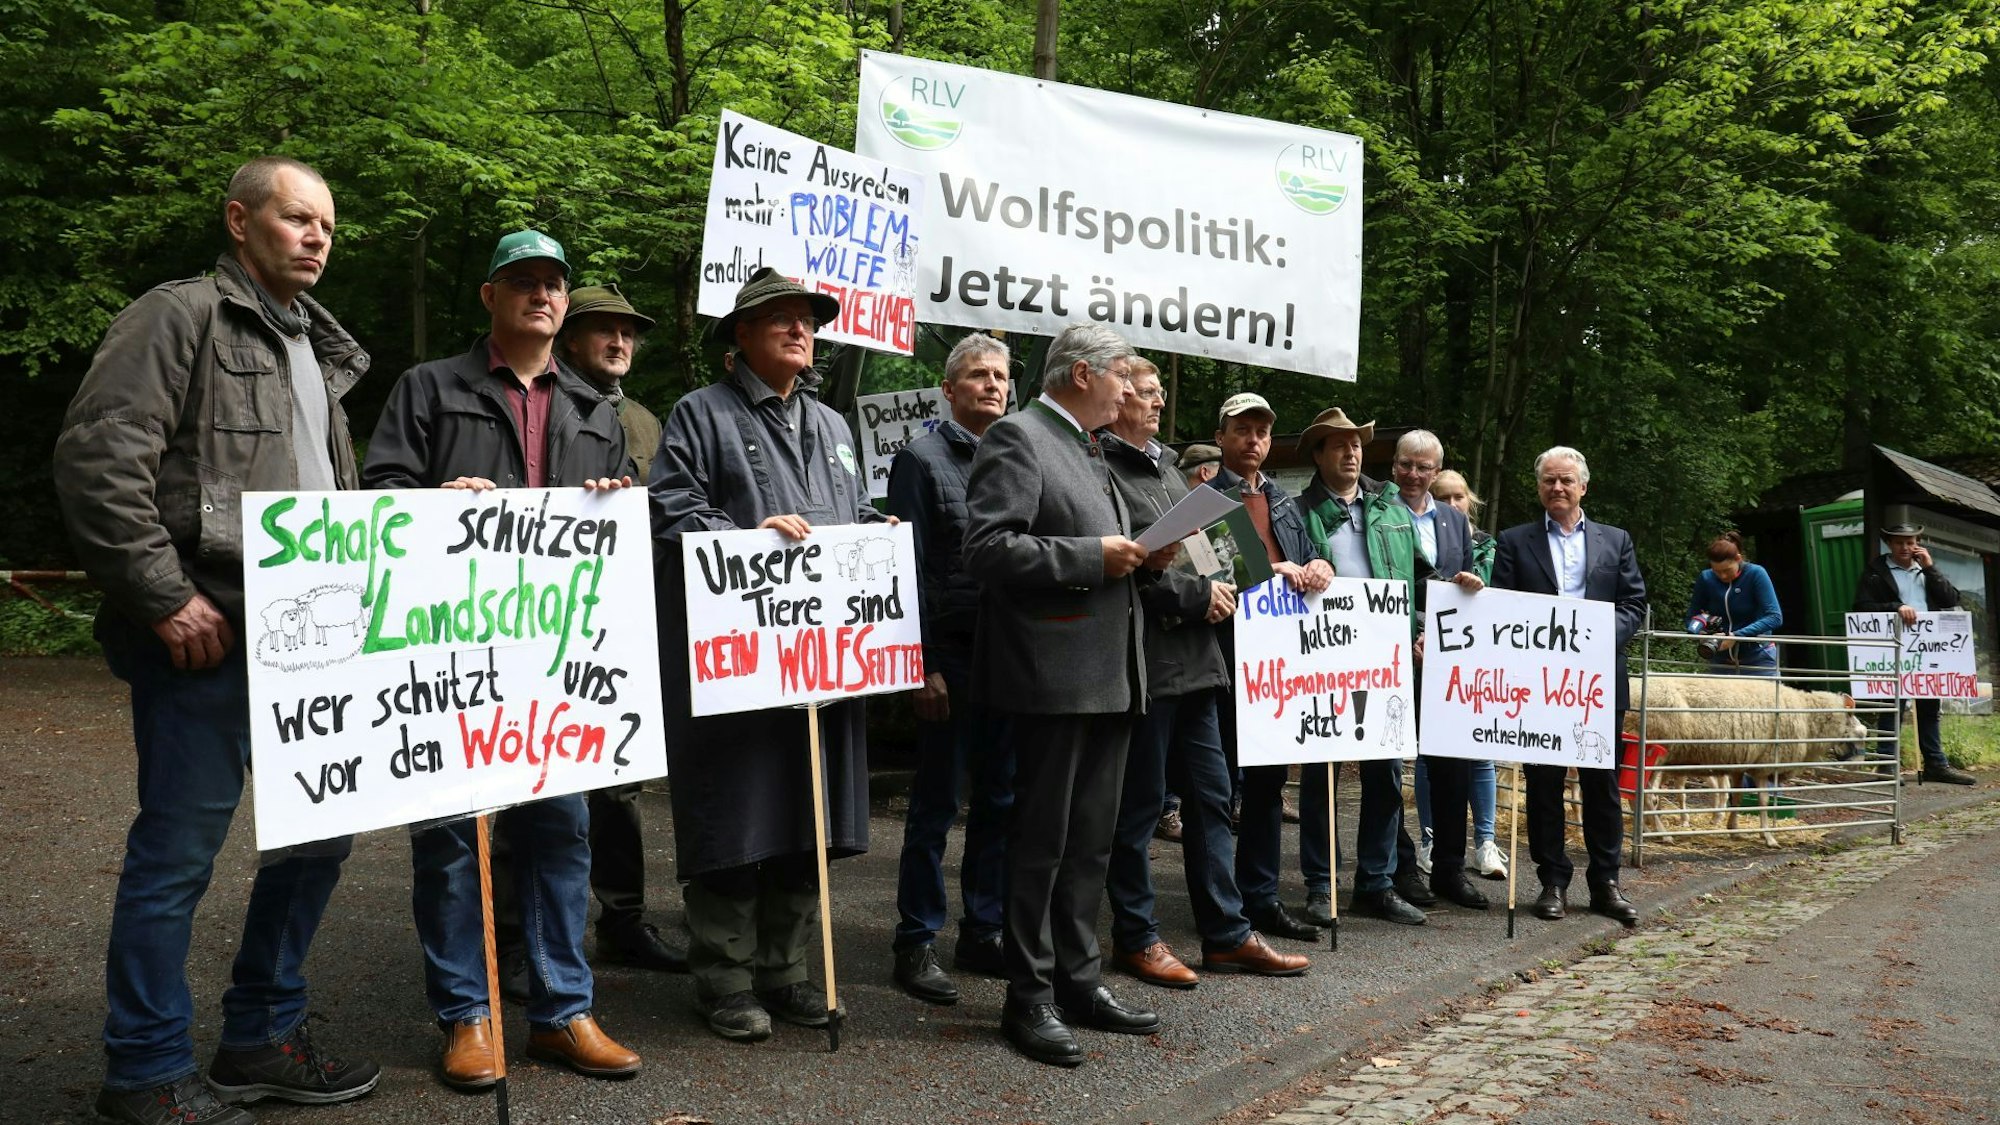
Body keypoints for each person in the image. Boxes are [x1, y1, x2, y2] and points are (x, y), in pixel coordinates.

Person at [53, 156, 380, 1124]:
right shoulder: (180, 315)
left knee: (318, 841)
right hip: (208, 634)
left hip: (314, 642)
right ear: (239, 221)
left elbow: (327, 500)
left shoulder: (319, 352)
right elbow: (98, 457)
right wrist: (162, 597)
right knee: (178, 856)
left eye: (327, 222)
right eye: (297, 217)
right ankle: (147, 1072)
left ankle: (259, 1039)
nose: (318, 235)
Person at [362, 230, 642, 1089]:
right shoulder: (429, 388)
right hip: (450, 656)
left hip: (557, 659)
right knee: (452, 840)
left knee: (563, 831)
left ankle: (563, 1010)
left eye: (554, 284)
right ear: (490, 295)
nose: (543, 295)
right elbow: (377, 495)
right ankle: (468, 1015)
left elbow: (625, 521)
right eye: (523, 282)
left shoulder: (597, 407)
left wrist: (619, 500)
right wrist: (430, 501)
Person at [649, 267, 888, 1042]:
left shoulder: (835, 425)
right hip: (739, 661)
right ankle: (722, 976)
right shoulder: (699, 414)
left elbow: (850, 514)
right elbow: (671, 510)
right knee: (734, 812)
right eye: (779, 318)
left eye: (807, 319)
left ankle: (786, 969)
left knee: (806, 810)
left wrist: (875, 531)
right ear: (741, 337)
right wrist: (748, 540)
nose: (799, 329)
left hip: (821, 658)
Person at [963, 323, 1170, 1067]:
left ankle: (1080, 981)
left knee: (1090, 843)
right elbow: (986, 548)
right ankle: (1029, 996)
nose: (1130, 390)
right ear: (1083, 373)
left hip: (1112, 675)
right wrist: (1093, 555)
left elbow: (1111, 554)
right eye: (1122, 377)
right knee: (1042, 843)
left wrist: (1150, 555)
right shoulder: (1018, 437)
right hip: (1049, 679)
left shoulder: (1090, 446)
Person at [1100, 360, 1309, 992]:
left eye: (1162, 393)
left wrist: (1284, 573)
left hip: (1199, 665)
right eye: (1145, 393)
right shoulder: (1103, 469)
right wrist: (1199, 597)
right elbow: (1132, 567)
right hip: (1145, 665)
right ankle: (1136, 936)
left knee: (1214, 802)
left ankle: (1226, 932)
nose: (1158, 403)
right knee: (1137, 811)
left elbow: (1217, 554)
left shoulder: (1168, 467)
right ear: (1115, 399)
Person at [554, 283, 688, 973]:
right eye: (604, 331)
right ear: (571, 338)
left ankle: (624, 918)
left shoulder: (643, 421)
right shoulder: (542, 402)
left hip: (625, 619)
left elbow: (665, 516)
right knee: (542, 779)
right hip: (550, 621)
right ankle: (532, 936)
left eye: (628, 333)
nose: (619, 343)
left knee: (619, 776)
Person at [887, 332, 1016, 1005]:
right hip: (951, 654)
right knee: (936, 804)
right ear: (949, 387)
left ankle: (983, 930)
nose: (994, 385)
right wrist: (923, 663)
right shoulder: (921, 458)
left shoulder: (1014, 455)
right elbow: (902, 568)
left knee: (999, 798)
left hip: (1010, 658)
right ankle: (916, 939)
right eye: (979, 375)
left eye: (1001, 376)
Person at [1490, 446, 1647, 926]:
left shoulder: (1614, 541)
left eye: (1565, 481)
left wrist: (1595, 639)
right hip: (1539, 686)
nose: (1557, 488)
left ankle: (1606, 882)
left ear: (1583, 486)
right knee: (1543, 785)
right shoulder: (1515, 541)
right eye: (1548, 481)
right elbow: (1502, 607)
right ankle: (1552, 882)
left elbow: (1633, 604)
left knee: (1601, 786)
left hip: (1597, 682)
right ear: (1538, 487)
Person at [1290, 411, 1431, 927]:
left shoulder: (1390, 508)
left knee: (1386, 778)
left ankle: (1376, 883)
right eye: (1339, 445)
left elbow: (1420, 577)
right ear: (1319, 455)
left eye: (1357, 445)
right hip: (1322, 656)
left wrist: (1425, 622)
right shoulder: (1298, 509)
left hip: (1384, 660)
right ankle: (1320, 886)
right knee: (1321, 776)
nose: (1352, 453)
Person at [1205, 393, 1332, 943]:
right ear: (1222, 436)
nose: (1253, 440)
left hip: (1281, 662)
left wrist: (1317, 566)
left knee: (1268, 784)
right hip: (1223, 659)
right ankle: (1221, 904)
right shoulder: (1204, 500)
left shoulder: (1285, 501)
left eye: (1261, 431)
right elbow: (1207, 571)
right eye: (1243, 430)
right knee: (1216, 787)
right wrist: (1268, 570)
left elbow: (1309, 561)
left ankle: (1260, 898)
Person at [1370, 430, 1492, 913]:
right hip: (1395, 652)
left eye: (1424, 468)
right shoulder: (1378, 515)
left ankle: (1449, 868)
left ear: (1437, 471)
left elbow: (1460, 589)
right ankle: (1402, 865)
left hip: (1446, 660)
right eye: (1405, 465)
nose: (1414, 475)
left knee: (1451, 766)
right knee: (1392, 760)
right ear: (1393, 464)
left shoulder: (1452, 521)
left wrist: (1471, 585)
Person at [1853, 525, 1976, 785]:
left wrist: (1930, 568)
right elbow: (1862, 607)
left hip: (1928, 648)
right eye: (1899, 543)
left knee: (1930, 706)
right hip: (1894, 645)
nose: (1906, 548)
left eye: (1910, 542)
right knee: (1892, 705)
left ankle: (1936, 764)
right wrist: (1896, 607)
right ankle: (1886, 766)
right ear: (1889, 544)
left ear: (1918, 543)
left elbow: (1950, 598)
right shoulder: (1876, 572)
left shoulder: (1925, 570)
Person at [1428, 470, 1506, 880]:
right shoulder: (1422, 537)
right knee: (1433, 754)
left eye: (1460, 496)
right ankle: (1430, 839)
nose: (1454, 503)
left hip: (1481, 655)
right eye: (1444, 496)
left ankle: (1486, 841)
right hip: (1438, 656)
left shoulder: (1486, 545)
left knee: (1481, 751)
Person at [1687, 531, 1781, 676]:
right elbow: (1692, 616)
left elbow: (1775, 617)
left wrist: (1736, 636)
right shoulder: (1706, 578)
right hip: (1720, 660)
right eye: (1717, 571)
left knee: (1767, 699)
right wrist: (1701, 632)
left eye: (1726, 570)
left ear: (1738, 559)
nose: (1722, 576)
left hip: (1758, 659)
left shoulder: (1756, 574)